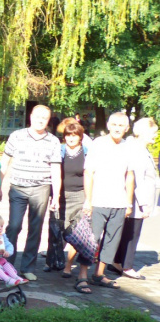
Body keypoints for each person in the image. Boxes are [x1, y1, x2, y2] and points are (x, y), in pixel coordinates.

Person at [0, 104, 62, 282]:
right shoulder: (17, 136)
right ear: (31, 116)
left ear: (48, 120)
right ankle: (7, 265)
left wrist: (55, 195)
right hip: (18, 188)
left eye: (45, 117)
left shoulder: (53, 141)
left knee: (35, 229)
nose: (40, 120)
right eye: (38, 116)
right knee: (14, 226)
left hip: (41, 189)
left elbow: (56, 169)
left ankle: (27, 267)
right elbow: (4, 162)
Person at [83, 111, 134, 289]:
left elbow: (130, 175)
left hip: (119, 203)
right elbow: (88, 172)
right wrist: (88, 200)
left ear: (127, 128)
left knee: (112, 241)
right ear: (108, 126)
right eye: (114, 125)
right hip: (98, 201)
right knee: (91, 240)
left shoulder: (129, 147)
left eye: (121, 125)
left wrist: (128, 203)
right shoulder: (98, 144)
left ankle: (99, 274)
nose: (117, 128)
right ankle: (82, 276)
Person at [110, 117, 157, 280]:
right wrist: (144, 204)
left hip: (136, 200)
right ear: (144, 132)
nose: (155, 136)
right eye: (153, 132)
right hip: (137, 201)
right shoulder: (137, 150)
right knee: (132, 234)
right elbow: (137, 179)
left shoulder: (138, 148)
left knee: (127, 232)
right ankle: (127, 266)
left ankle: (117, 261)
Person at [58, 121, 93, 294]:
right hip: (61, 196)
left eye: (75, 135)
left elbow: (92, 174)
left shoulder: (87, 152)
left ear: (80, 136)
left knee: (76, 232)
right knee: (61, 230)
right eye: (68, 135)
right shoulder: (59, 151)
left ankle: (68, 265)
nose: (71, 138)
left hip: (80, 195)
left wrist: (89, 199)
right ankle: (54, 261)